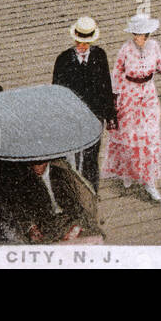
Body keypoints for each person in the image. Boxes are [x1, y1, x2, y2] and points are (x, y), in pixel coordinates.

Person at [103, 13, 161, 203]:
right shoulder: (125, 50)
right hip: (129, 94)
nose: (141, 38)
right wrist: (114, 99)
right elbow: (117, 72)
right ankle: (128, 172)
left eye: (144, 34)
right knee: (129, 136)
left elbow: (160, 63)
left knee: (149, 136)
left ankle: (149, 180)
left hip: (148, 95)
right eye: (138, 34)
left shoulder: (154, 46)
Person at [52, 16, 117, 190]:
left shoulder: (100, 56)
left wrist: (110, 115)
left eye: (86, 43)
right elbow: (56, 92)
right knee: (72, 158)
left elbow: (106, 85)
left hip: (94, 116)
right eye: (80, 42)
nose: (82, 46)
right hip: (72, 117)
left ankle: (92, 193)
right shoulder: (63, 60)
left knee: (91, 158)